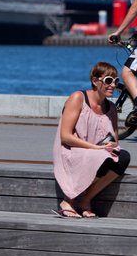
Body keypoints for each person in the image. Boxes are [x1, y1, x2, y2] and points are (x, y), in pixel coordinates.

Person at [53, 62, 131, 217]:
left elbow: (115, 140)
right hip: (71, 149)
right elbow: (65, 136)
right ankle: (68, 200)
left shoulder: (112, 108)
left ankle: (86, 199)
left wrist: (112, 144)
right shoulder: (78, 98)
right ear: (95, 81)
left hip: (96, 152)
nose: (113, 85)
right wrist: (94, 148)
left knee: (122, 157)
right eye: (108, 80)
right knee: (102, 158)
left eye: (116, 81)